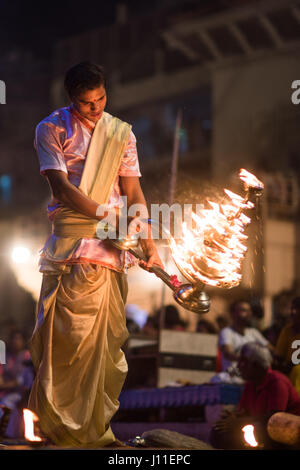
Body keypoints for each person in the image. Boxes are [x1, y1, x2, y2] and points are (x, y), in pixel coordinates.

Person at [28, 61, 163, 448]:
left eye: (102, 98)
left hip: (113, 249)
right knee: (68, 344)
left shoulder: (122, 133)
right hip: (74, 248)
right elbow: (62, 190)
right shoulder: (51, 128)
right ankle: (65, 432)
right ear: (72, 100)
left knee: (104, 345)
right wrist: (111, 218)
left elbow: (134, 193)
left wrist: (148, 241)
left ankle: (95, 432)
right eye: (87, 103)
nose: (97, 107)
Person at [210, 342, 300, 449]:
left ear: (256, 365)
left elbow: (274, 419)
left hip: (286, 432)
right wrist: (232, 417)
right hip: (259, 425)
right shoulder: (250, 384)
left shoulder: (277, 382)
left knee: (258, 431)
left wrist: (237, 422)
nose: (238, 366)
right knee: (219, 431)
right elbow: (244, 412)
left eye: (243, 362)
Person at [218, 300, 272, 378]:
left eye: (249, 310)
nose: (249, 313)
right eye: (244, 310)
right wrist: (251, 361)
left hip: (251, 379)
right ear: (233, 314)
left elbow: (270, 349)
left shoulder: (253, 332)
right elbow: (228, 354)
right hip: (232, 379)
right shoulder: (226, 332)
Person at [274, 297, 300, 395]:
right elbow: (279, 356)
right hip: (289, 374)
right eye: (292, 309)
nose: (293, 312)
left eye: (297, 309)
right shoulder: (287, 330)